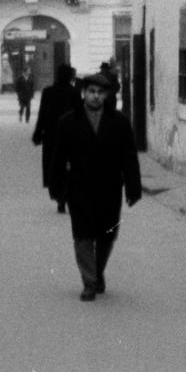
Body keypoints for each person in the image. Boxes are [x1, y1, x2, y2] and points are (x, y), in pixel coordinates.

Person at [50, 69, 141, 300]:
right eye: (91, 91)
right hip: (79, 188)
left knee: (107, 235)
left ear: (106, 95)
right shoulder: (68, 122)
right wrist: (57, 186)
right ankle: (89, 283)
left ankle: (98, 271)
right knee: (82, 236)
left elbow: (129, 156)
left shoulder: (119, 122)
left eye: (100, 92)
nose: (95, 96)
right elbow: (58, 157)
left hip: (110, 188)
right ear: (84, 93)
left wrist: (133, 187)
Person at [32, 63, 82, 212]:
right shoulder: (74, 93)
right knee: (69, 165)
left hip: (52, 136)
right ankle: (66, 194)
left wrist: (38, 132)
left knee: (52, 165)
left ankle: (58, 194)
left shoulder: (48, 92)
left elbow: (42, 114)